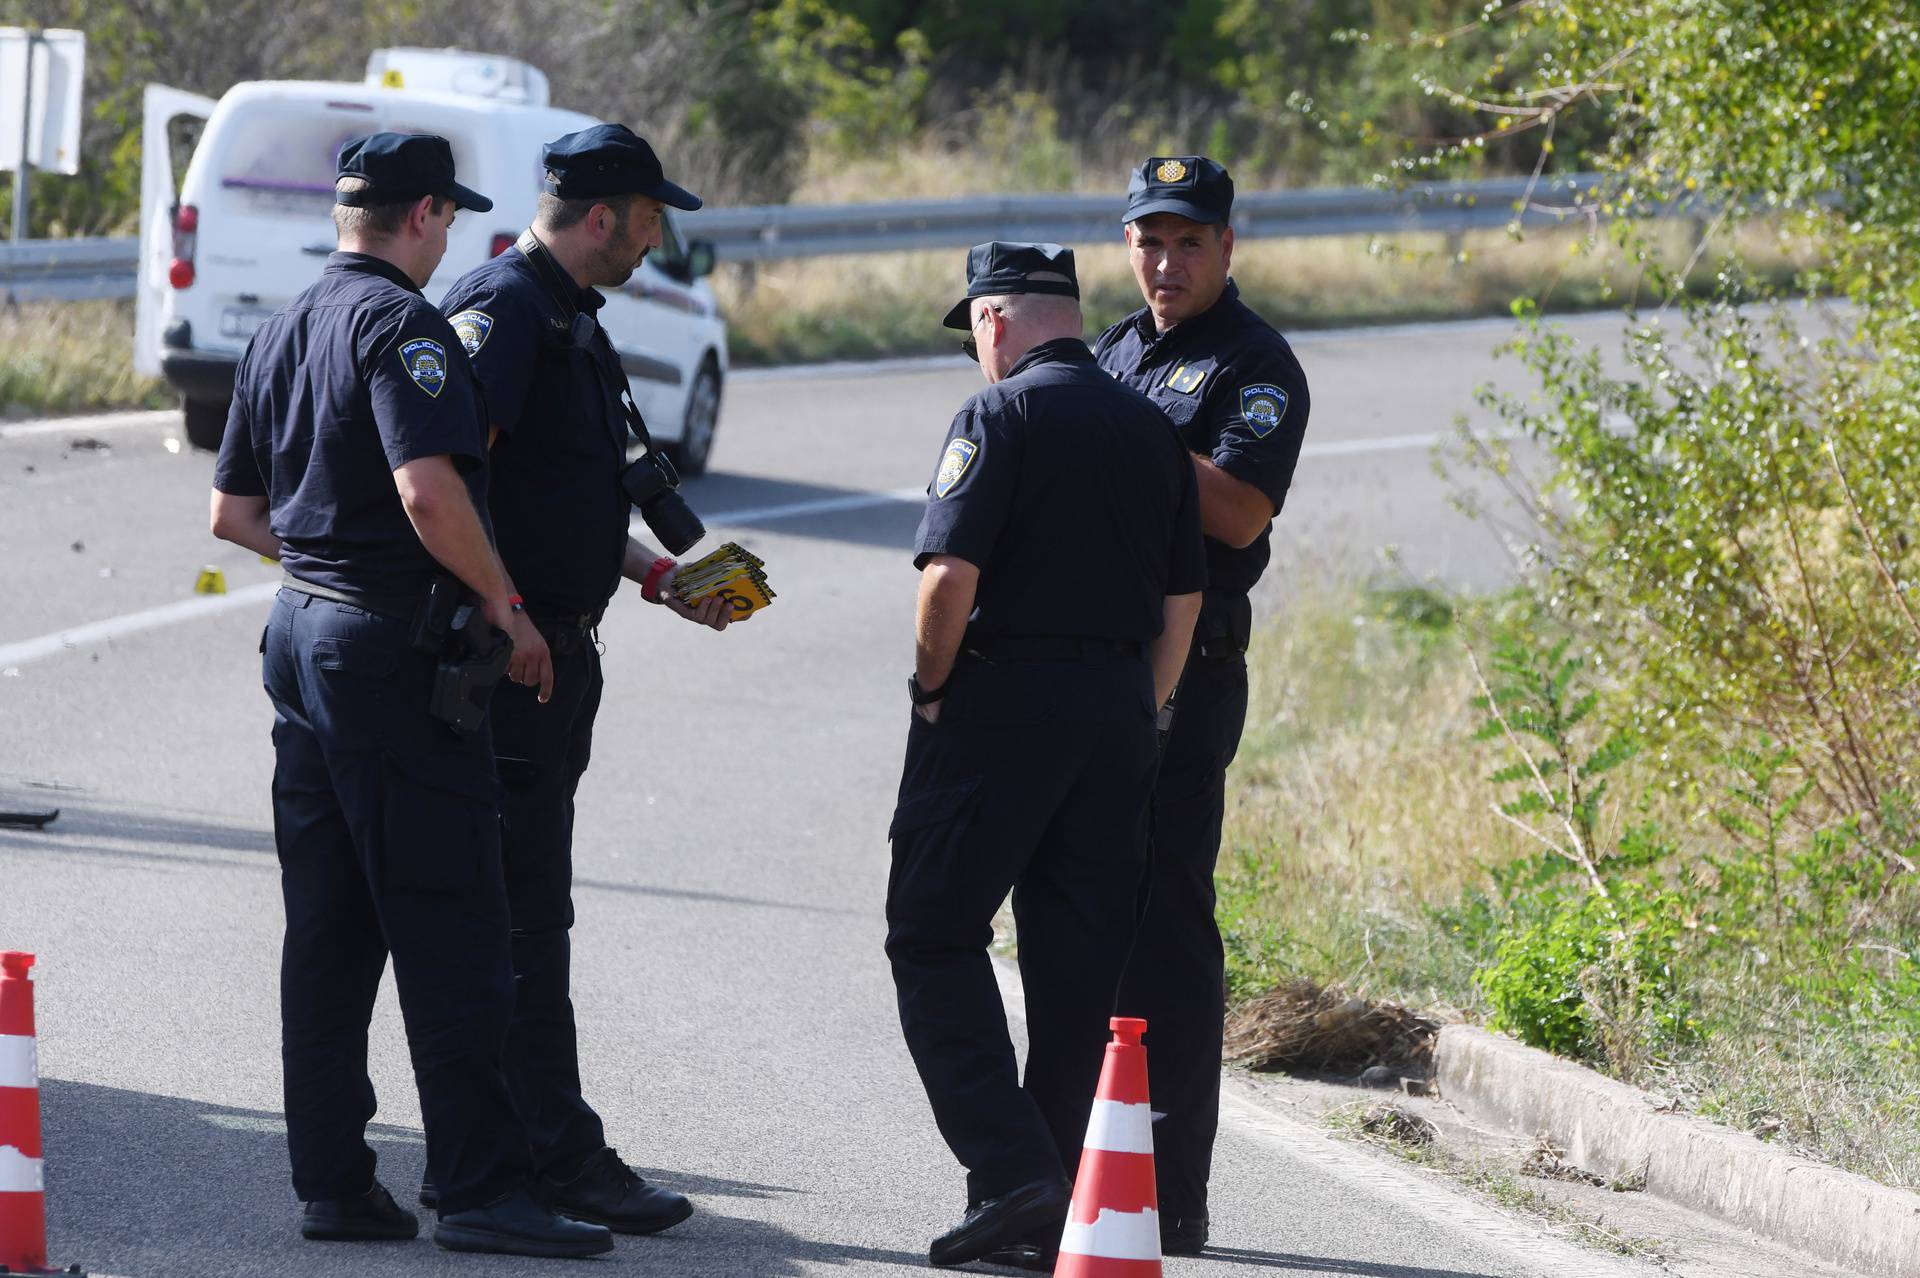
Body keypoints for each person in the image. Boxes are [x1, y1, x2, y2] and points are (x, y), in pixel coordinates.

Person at [209, 132, 612, 1260]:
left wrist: (330, 572)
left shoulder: (285, 323)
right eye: (447, 221)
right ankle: (482, 1188)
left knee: (329, 930)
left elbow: (233, 515)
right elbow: (430, 489)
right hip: (389, 653)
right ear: (425, 214)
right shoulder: (400, 325)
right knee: (456, 926)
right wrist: (508, 608)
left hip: (304, 637)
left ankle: (336, 1182)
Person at [430, 123, 729, 1235]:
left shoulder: (566, 315)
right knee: (521, 923)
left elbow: (566, 493)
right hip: (515, 661)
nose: (656, 241)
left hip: (556, 645)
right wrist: (507, 616)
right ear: (602, 217)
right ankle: (548, 1158)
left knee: (526, 916)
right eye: (651, 219)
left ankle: (528, 1151)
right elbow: (455, 476)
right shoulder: (507, 310)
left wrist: (660, 575)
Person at [886, 241, 1206, 1269]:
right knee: (1075, 966)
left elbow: (947, 581)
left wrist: (932, 688)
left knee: (932, 932)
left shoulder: (999, 414)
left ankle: (1013, 1170)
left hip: (1001, 702)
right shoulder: (1153, 430)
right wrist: (1139, 711)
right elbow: (1184, 602)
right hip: (1118, 710)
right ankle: (1047, 1196)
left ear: (994, 320)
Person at [1092, 155, 1311, 1256]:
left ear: (1227, 247)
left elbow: (1234, 513)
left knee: (1165, 915)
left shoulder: (1254, 362)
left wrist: (1116, 439)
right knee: (1082, 907)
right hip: (1092, 657)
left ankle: (1172, 1189)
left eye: (1187, 243)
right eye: (1149, 242)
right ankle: (1081, 1162)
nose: (1165, 263)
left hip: (1192, 666)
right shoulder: (1116, 350)